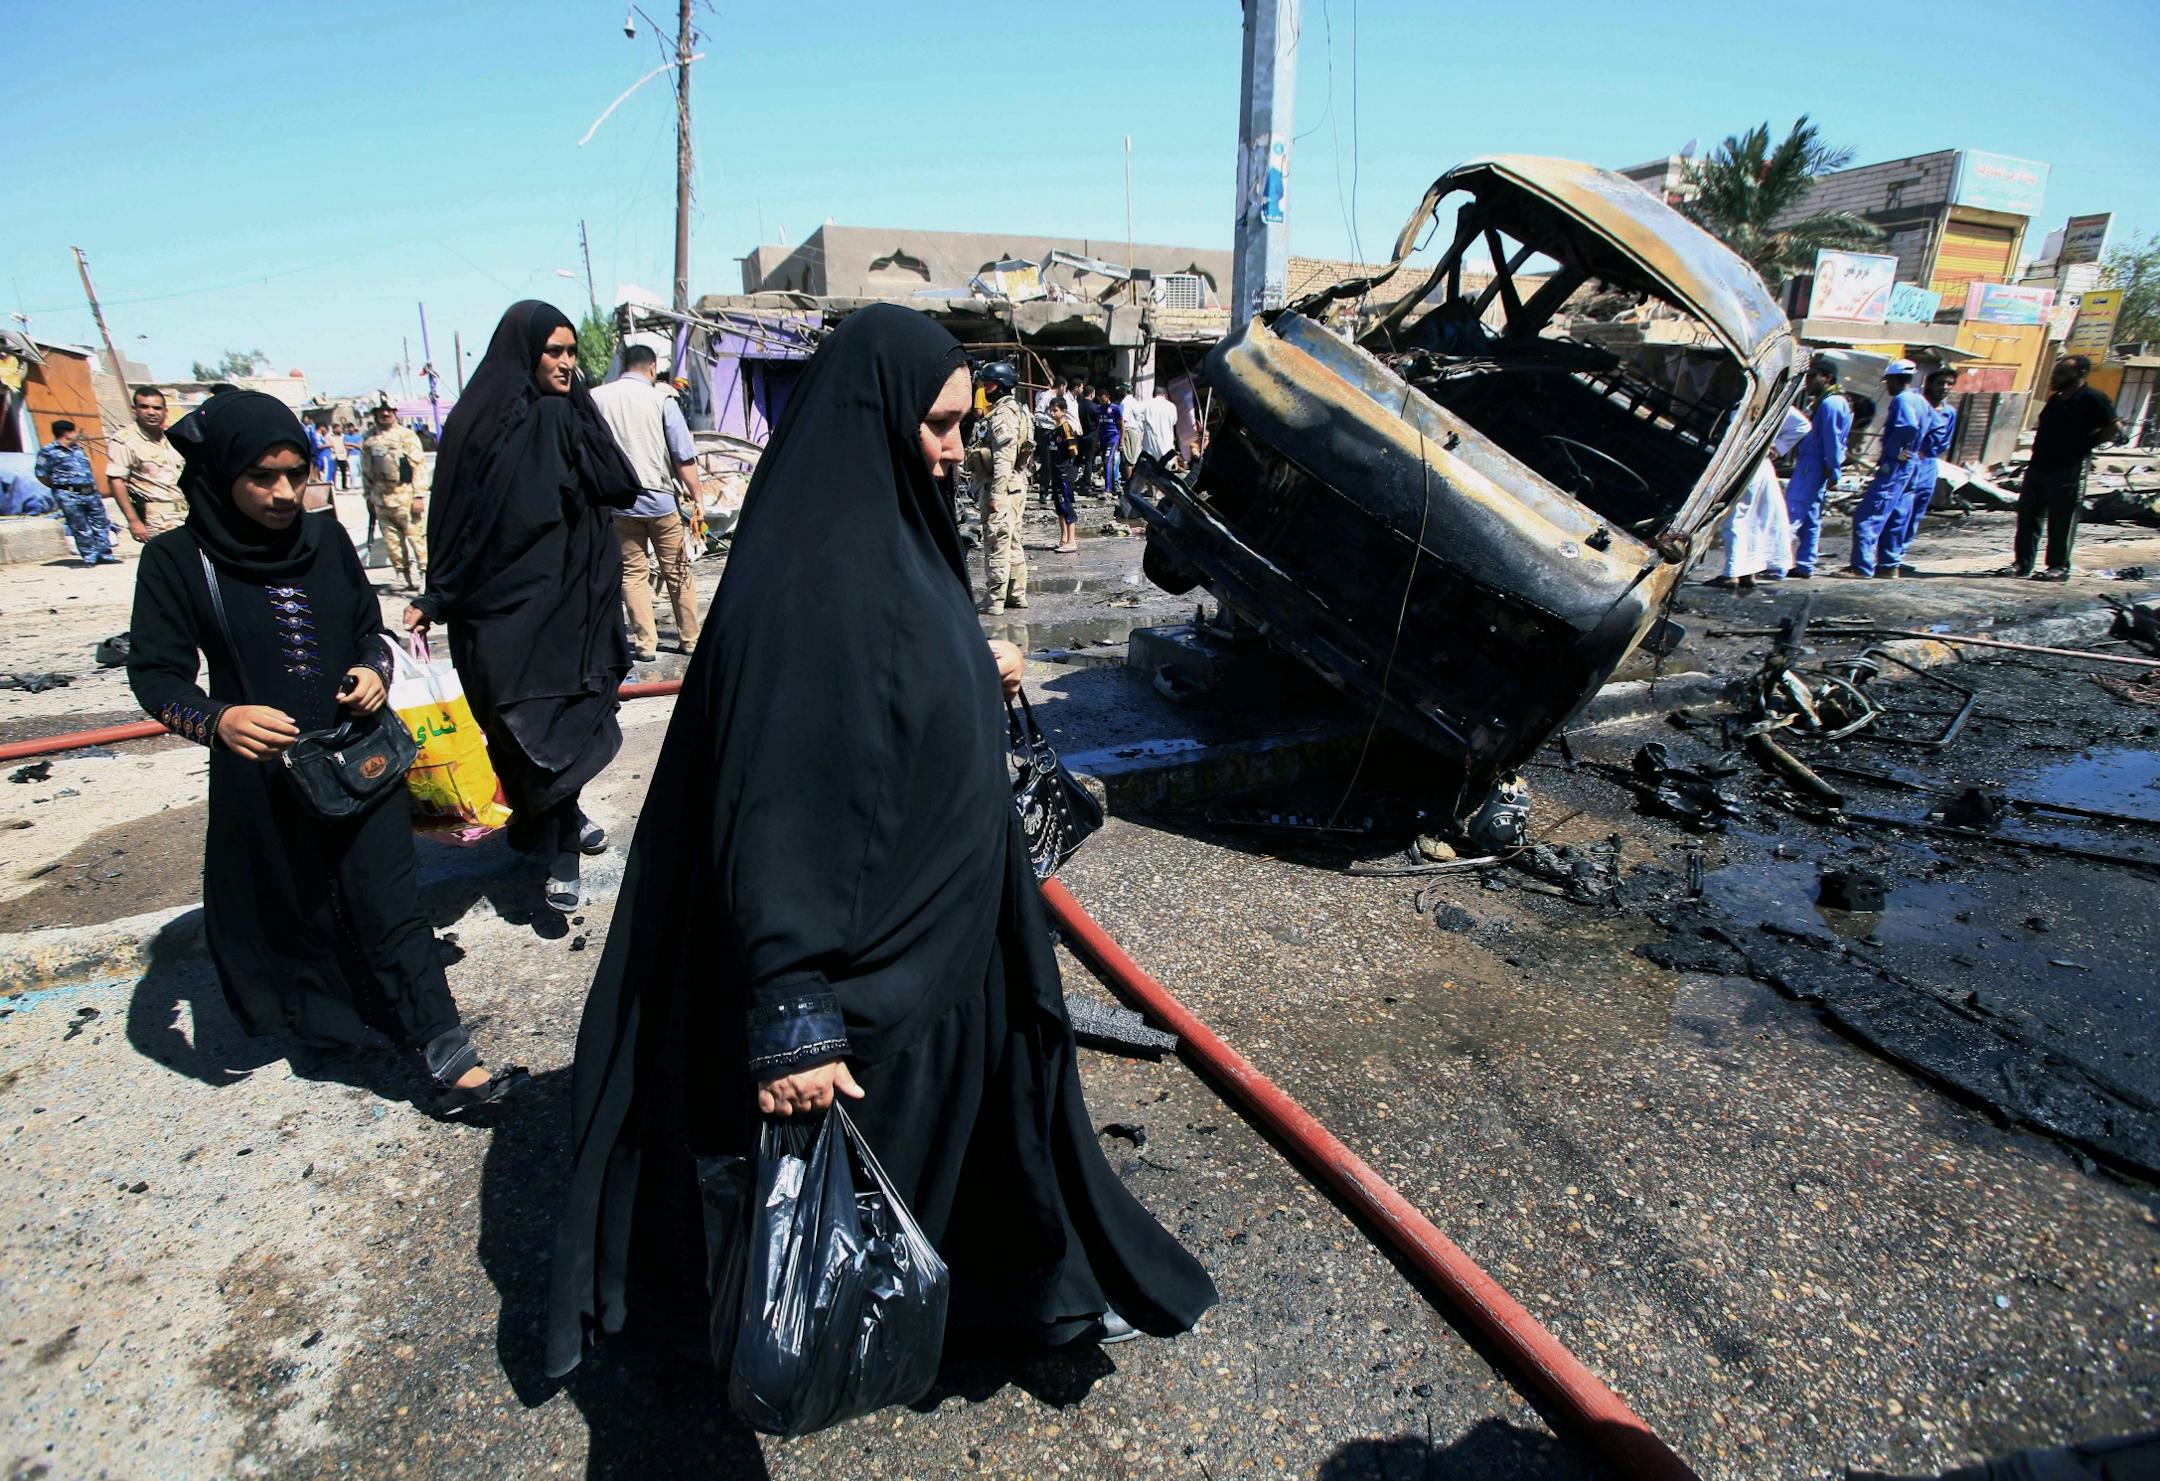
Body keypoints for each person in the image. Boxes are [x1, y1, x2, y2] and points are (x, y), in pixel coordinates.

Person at [544, 304, 1216, 1382]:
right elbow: (776, 805)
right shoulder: (819, 580)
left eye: (963, 424)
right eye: (938, 425)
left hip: (947, 936)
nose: (954, 447)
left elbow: (901, 684)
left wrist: (974, 667)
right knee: (878, 1190)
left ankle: (995, 1301)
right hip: (871, 965)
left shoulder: (886, 531)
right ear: (876, 414)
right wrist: (795, 1016)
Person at [123, 391, 520, 1114]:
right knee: (299, 908)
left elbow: (369, 629)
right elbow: (154, 677)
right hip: (264, 782)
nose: (283, 493)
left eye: (295, 473)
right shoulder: (179, 561)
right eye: (263, 477)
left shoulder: (328, 539)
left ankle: (450, 1057)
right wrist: (219, 719)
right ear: (220, 477)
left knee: (392, 903)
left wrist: (375, 669)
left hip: (360, 763)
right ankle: (333, 1025)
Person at [403, 301, 641, 912]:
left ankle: (560, 843)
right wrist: (436, 595)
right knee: (518, 724)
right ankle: (555, 822)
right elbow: (454, 520)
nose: (565, 363)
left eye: (571, 353)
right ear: (523, 353)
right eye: (553, 353)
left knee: (571, 715)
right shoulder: (474, 426)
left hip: (573, 605)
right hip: (501, 610)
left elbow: (619, 484)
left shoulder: (569, 414)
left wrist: (577, 413)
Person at [590, 344, 704, 662]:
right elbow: (683, 456)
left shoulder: (596, 398)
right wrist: (697, 497)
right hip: (660, 499)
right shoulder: (661, 399)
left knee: (632, 574)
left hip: (618, 503)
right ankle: (691, 639)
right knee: (677, 570)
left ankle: (645, 644)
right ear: (652, 368)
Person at [2001, 354, 2122, 581]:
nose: (2056, 377)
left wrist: (2086, 445)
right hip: (2039, 467)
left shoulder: (2093, 399)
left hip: (2068, 469)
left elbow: (2113, 428)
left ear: (2081, 374)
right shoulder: (2055, 400)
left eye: (2062, 373)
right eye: (2056, 372)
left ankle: (2058, 567)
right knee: (2028, 517)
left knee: (2062, 520)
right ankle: (2022, 563)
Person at [1711, 403, 1811, 590]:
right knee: (1755, 520)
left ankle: (1731, 573)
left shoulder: (1766, 402)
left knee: (1735, 519)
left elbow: (1802, 425)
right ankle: (1748, 573)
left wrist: (1777, 447)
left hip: (1748, 465)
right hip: (1760, 467)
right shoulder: (1760, 403)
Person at [1845, 359, 1930, 578]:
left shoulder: (1902, 400)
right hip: (1912, 467)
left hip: (1895, 466)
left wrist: (1895, 451)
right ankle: (1889, 566)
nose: (1887, 386)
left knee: (1867, 516)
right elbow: (1936, 427)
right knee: (1897, 517)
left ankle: (1861, 567)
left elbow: (1907, 426)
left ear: (1894, 379)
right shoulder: (1921, 400)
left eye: (1888, 381)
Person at [1885, 367, 1960, 576]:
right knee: (1900, 510)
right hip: (1911, 459)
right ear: (1929, 384)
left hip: (1929, 464)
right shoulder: (1915, 403)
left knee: (1917, 511)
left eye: (1949, 384)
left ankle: (1899, 556)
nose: (1944, 388)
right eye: (1940, 383)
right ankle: (1888, 556)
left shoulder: (1949, 412)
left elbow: (1944, 441)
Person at [972, 359, 1033, 611]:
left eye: (988, 384)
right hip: (1015, 484)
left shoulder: (1004, 414)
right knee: (1013, 541)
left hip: (1002, 486)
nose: (984, 389)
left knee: (997, 541)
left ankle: (995, 599)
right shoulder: (1019, 409)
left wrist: (995, 494)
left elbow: (1003, 457)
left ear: (998, 386)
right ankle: (1016, 594)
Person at [1783, 359, 1851, 580]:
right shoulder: (1833, 402)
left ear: (1827, 378)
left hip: (1813, 465)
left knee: (1792, 511)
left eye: (1812, 376)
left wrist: (1834, 469)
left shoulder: (1830, 404)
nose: (1808, 382)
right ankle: (1805, 564)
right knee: (1811, 517)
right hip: (1817, 464)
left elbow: (1832, 440)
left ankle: (1776, 563)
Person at [360, 402, 429, 591]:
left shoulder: (406, 436)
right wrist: (368, 496)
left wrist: (419, 495)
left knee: (417, 539)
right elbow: (366, 469)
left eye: (389, 410)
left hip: (405, 497)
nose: (385, 413)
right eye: (381, 410)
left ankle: (424, 576)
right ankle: (402, 576)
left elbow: (418, 467)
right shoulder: (369, 438)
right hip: (381, 499)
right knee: (392, 542)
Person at [106, 385, 186, 543]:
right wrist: (133, 521)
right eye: (144, 407)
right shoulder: (125, 441)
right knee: (169, 562)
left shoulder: (172, 439)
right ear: (135, 409)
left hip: (185, 511)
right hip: (157, 518)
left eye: (157, 408)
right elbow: (116, 482)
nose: (151, 412)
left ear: (165, 411)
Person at [34, 420, 122, 565]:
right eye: (75, 432)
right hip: (69, 495)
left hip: (90, 493)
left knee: (101, 523)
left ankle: (105, 554)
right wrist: (58, 487)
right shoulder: (48, 452)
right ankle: (90, 556)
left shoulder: (78, 449)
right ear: (67, 433)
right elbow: (41, 474)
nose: (77, 435)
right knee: (80, 526)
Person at [1044, 397, 1081, 552]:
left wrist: (1067, 467)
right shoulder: (1054, 430)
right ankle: (1063, 538)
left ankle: (1072, 541)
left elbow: (1074, 451)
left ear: (1063, 411)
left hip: (1064, 473)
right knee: (1059, 506)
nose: (1052, 413)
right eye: (1051, 410)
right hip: (1056, 473)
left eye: (1055, 410)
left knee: (1066, 504)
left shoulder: (1066, 428)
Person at [1094, 383, 1125, 507]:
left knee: (1108, 461)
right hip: (1103, 440)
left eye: (1102, 398)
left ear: (1107, 396)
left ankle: (1107, 490)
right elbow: (1099, 426)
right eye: (1099, 399)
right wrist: (1096, 441)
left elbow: (1122, 425)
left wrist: (1121, 440)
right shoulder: (1099, 409)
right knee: (1107, 463)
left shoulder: (1115, 408)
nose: (1101, 401)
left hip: (1113, 438)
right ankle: (1113, 489)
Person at [335, 422, 356, 491]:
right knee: (334, 472)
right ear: (334, 429)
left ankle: (344, 486)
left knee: (344, 472)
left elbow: (346, 445)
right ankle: (334, 486)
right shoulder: (331, 436)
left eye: (340, 428)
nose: (340, 430)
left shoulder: (344, 436)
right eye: (338, 428)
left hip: (343, 456)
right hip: (335, 455)